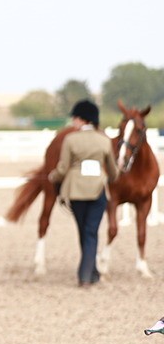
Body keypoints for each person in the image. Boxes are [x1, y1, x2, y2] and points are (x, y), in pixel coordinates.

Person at [48, 100, 118, 286]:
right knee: (91, 232)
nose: (73, 122)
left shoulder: (70, 140)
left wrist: (52, 176)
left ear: (81, 119)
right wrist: (108, 178)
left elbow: (62, 169)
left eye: (75, 118)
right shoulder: (104, 140)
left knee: (83, 231)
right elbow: (113, 171)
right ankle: (91, 273)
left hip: (76, 192)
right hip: (97, 192)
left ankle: (85, 275)